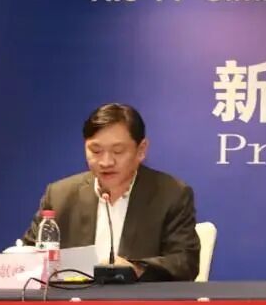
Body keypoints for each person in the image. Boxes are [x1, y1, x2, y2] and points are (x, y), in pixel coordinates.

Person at [22, 103, 200, 281]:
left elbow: (185, 262)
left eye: (118, 151)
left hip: (137, 298)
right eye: (96, 151)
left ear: (141, 150)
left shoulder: (171, 194)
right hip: (73, 297)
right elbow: (27, 255)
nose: (106, 162)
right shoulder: (59, 195)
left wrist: (136, 269)